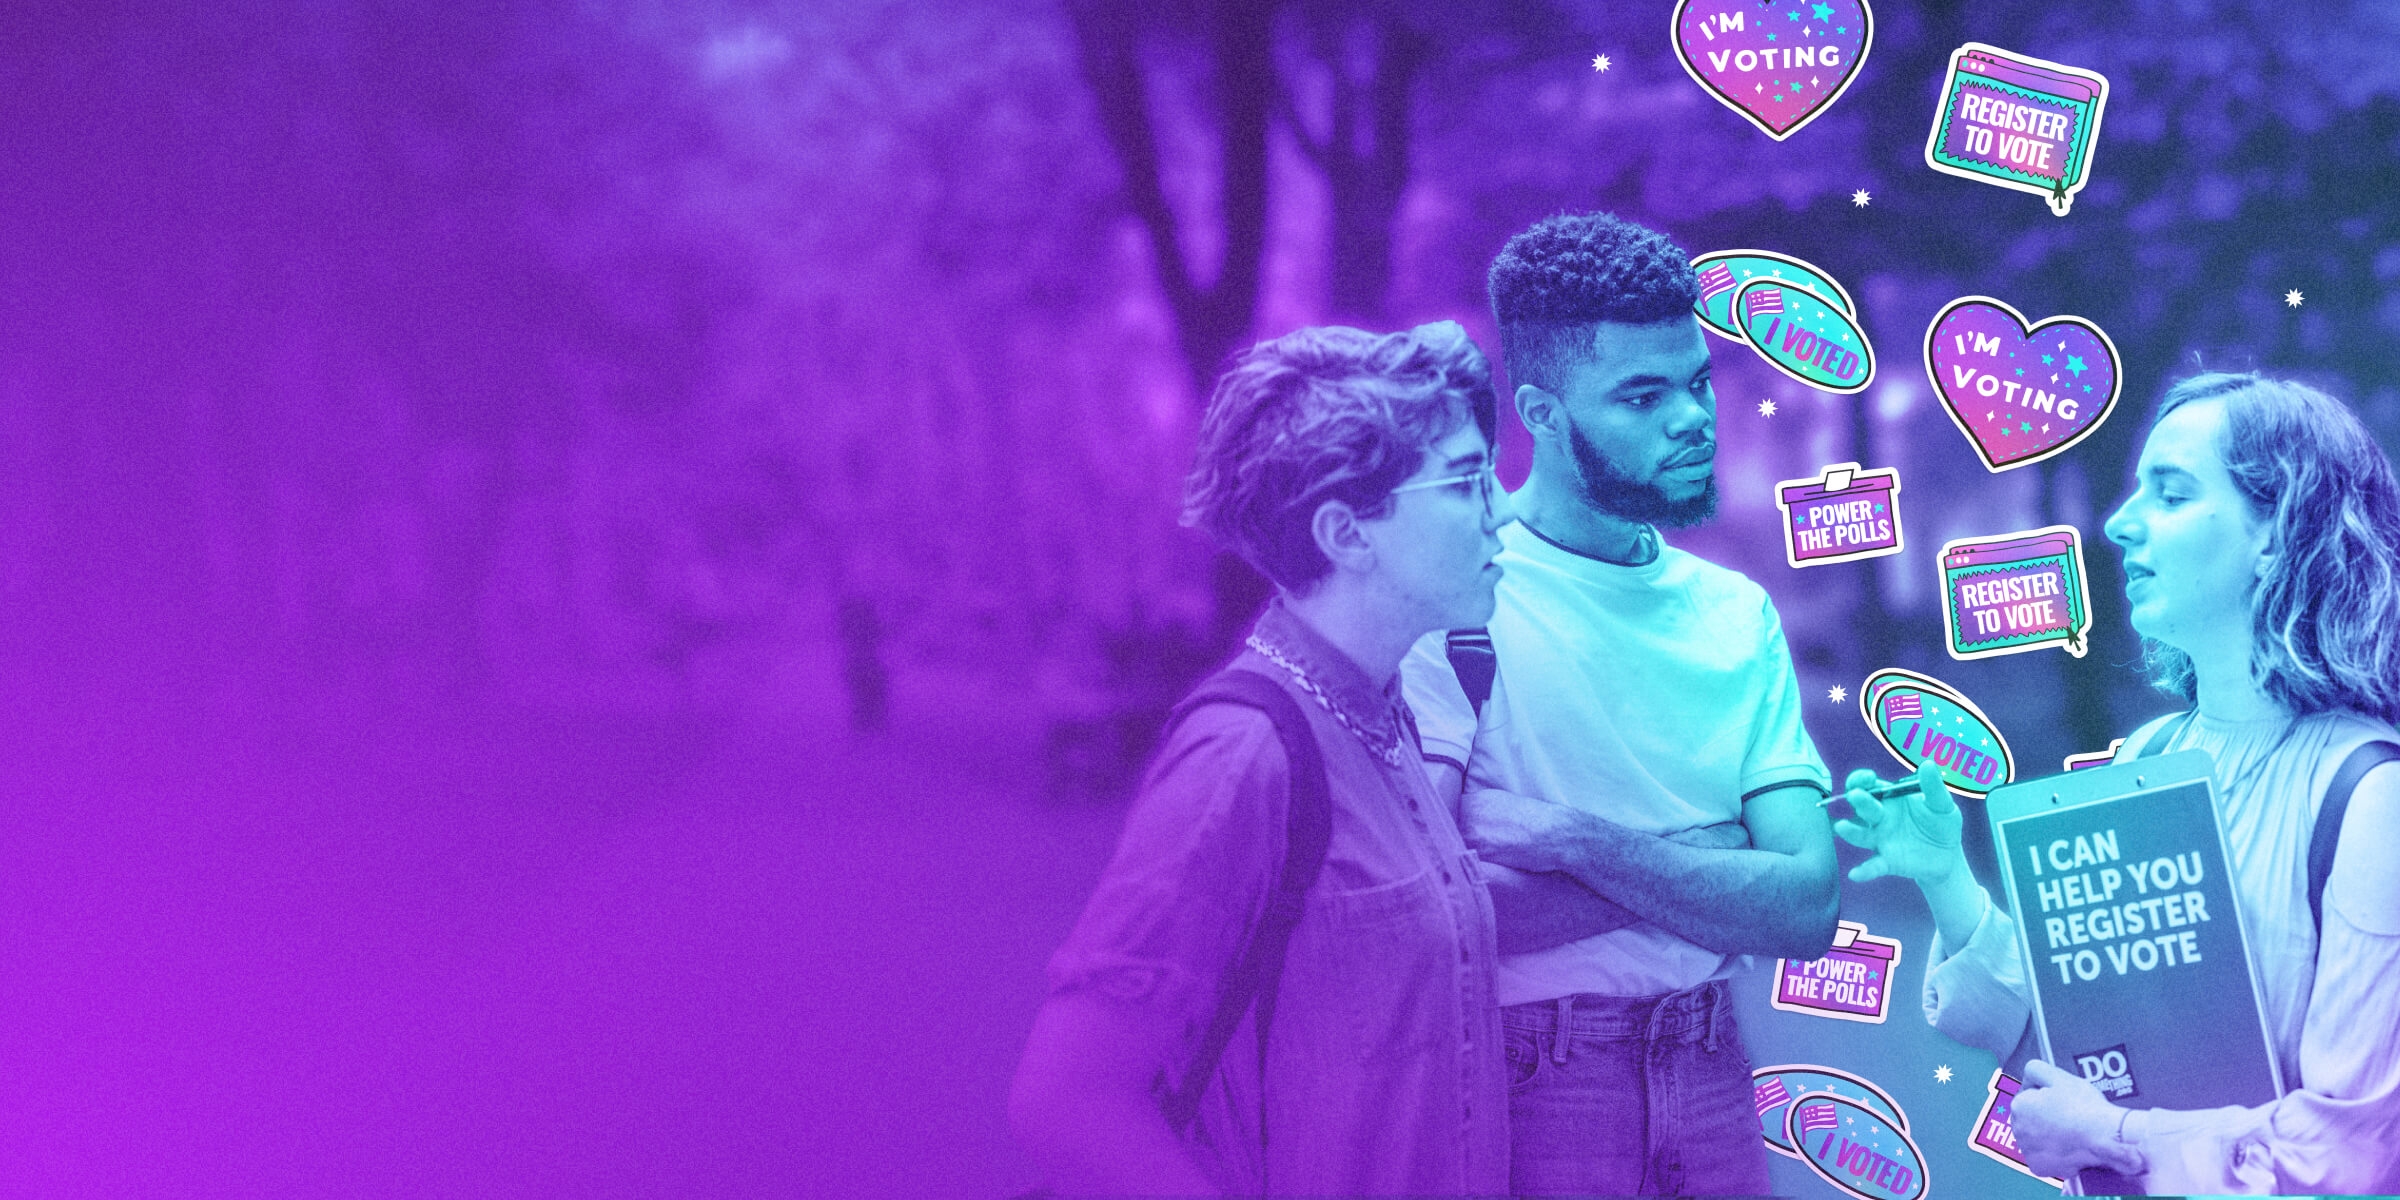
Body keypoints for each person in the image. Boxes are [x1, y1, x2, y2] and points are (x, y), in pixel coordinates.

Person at [1836, 372, 2400, 1193]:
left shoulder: (2371, 798)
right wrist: (1944, 876)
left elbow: (2351, 1154)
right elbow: (2082, 1041)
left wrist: (2116, 1135)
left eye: (2169, 495)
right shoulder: (2146, 755)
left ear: (2277, 532)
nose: (2118, 523)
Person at [1008, 321, 1512, 1195]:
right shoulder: (1242, 758)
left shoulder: (1385, 718)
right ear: (1349, 534)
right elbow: (1065, 1097)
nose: (1501, 509)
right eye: (1468, 481)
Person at [1398, 211, 1841, 1197]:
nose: (1689, 418)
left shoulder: (1736, 615)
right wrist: (1713, 866)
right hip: (1537, 1079)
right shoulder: (1459, 602)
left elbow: (1808, 905)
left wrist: (1574, 838)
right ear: (1543, 416)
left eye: (1694, 383)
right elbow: (1439, 922)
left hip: (1718, 1062)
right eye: (1641, 396)